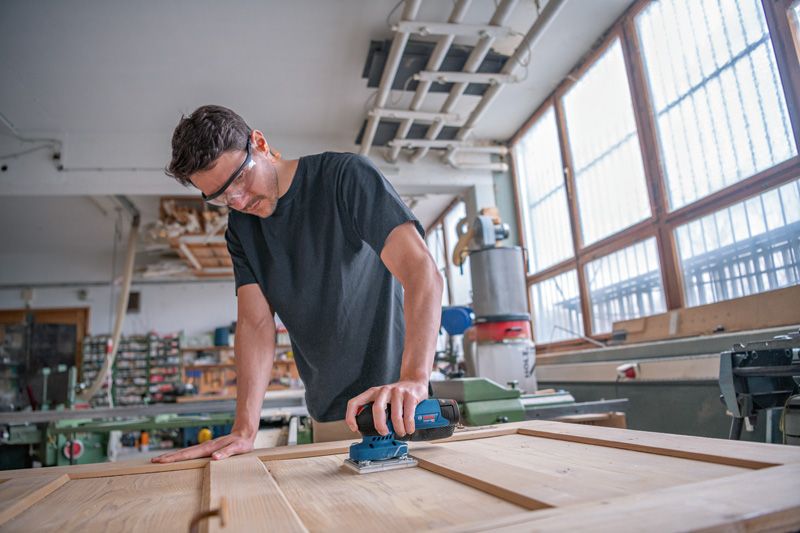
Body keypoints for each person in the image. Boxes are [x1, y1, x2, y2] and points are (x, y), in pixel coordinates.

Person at [153, 105, 443, 462]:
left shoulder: (345, 177)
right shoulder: (242, 229)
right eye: (221, 197)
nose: (238, 201)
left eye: (240, 180)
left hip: (398, 408)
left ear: (259, 143)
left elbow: (421, 271)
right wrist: (245, 428)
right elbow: (256, 324)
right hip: (328, 417)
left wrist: (414, 378)